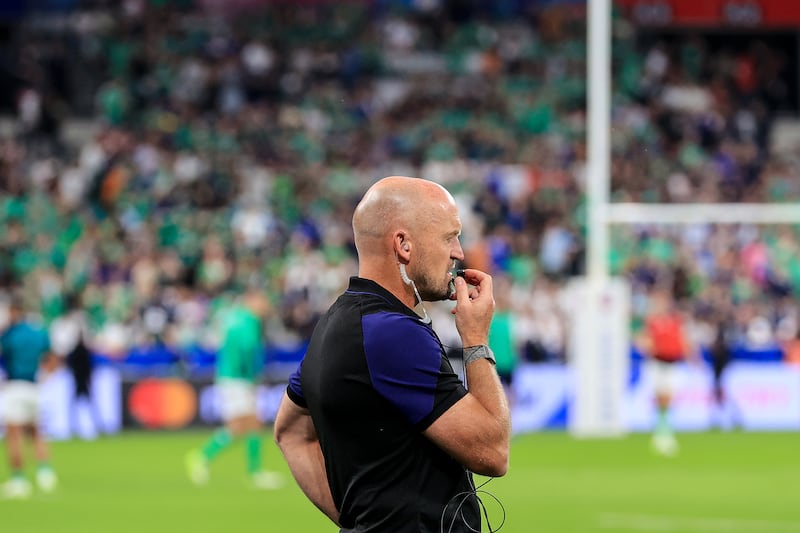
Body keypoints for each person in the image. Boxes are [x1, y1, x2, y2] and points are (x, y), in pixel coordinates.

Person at [274, 176, 511, 532]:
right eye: (449, 236)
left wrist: (355, 520)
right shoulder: (391, 333)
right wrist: (476, 338)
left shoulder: (338, 321)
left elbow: (290, 431)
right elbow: (492, 451)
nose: (459, 252)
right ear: (403, 245)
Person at [185, 288, 283, 489]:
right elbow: (248, 351)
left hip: (227, 375)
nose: (266, 307)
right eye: (264, 302)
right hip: (239, 379)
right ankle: (251, 471)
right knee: (250, 423)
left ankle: (204, 457)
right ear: (253, 300)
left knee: (242, 425)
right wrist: (254, 376)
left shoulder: (233, 317)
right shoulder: (249, 321)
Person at [0, 294, 59, 499]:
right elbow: (52, 358)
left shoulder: (9, 335)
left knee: (14, 435)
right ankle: (45, 472)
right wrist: (46, 375)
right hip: (34, 387)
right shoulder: (38, 333)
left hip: (15, 386)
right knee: (35, 432)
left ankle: (19, 480)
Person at [640, 288, 693, 456]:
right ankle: (661, 432)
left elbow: (684, 342)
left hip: (672, 363)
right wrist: (647, 347)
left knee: (668, 399)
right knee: (661, 398)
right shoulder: (653, 323)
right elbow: (645, 341)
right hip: (657, 363)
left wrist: (691, 357)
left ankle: (664, 431)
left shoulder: (676, 322)